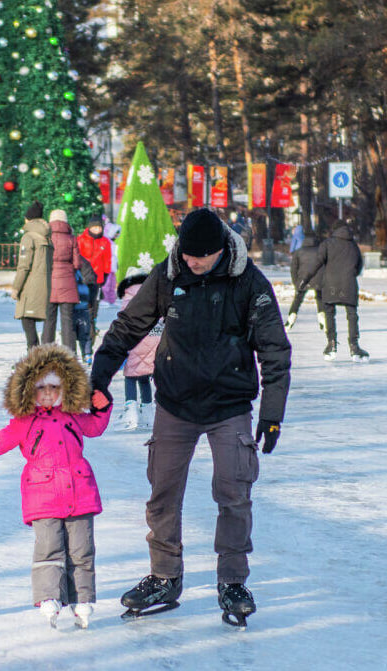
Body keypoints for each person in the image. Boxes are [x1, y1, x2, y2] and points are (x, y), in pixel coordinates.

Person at [88, 207, 291, 627]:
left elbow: (274, 350)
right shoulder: (170, 273)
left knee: (233, 491)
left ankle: (232, 580)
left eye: (202, 256)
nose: (193, 262)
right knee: (162, 492)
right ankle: (165, 575)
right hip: (176, 403)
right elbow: (128, 326)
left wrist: (271, 415)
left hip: (228, 405)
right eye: (188, 254)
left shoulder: (248, 281)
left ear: (220, 250)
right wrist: (99, 379)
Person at [0, 345, 111, 629]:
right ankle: (49, 596)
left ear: (66, 388)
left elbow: (95, 427)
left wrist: (103, 407)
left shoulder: (73, 415)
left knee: (82, 550)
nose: (48, 393)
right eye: (41, 388)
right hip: (43, 496)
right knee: (49, 548)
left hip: (80, 492)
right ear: (28, 390)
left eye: (54, 387)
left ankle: (82, 600)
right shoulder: (24, 422)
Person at [304, 220, 368, 361]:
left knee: (329, 313)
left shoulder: (327, 244)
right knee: (352, 315)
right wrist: (351, 275)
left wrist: (306, 278)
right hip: (349, 283)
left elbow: (317, 262)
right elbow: (359, 265)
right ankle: (354, 347)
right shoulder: (353, 245)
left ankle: (331, 344)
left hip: (330, 284)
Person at [116, 270, 161, 431]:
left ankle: (131, 412)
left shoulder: (128, 297)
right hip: (153, 341)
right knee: (144, 376)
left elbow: (123, 320)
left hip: (135, 341)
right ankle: (148, 413)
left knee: (130, 376)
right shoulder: (154, 293)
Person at [13, 201, 52, 349]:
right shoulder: (47, 236)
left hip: (30, 287)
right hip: (46, 287)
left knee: (27, 321)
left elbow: (23, 266)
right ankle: (39, 356)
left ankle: (34, 358)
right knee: (41, 325)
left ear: (28, 219)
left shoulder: (28, 237)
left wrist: (16, 288)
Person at [44, 209, 80, 352]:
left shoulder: (46, 238)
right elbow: (77, 264)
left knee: (49, 321)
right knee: (67, 321)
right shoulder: (71, 238)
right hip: (68, 283)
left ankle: (46, 352)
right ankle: (70, 354)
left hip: (50, 284)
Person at [77, 216, 111, 337]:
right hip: (83, 278)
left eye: (99, 227)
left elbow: (107, 260)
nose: (97, 230)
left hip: (98, 279)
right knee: (83, 304)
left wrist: (105, 275)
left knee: (94, 305)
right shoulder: (80, 240)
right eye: (94, 227)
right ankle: (81, 325)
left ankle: (91, 326)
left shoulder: (105, 242)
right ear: (89, 227)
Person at [285, 232, 325, 330]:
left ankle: (290, 320)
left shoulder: (299, 251)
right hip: (319, 280)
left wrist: (296, 283)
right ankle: (323, 321)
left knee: (297, 300)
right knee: (320, 299)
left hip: (303, 279)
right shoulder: (321, 251)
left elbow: (293, 269)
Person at [73, 273, 93, 363]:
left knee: (73, 333)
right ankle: (86, 354)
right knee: (84, 334)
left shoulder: (72, 277)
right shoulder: (85, 275)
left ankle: (83, 355)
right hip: (84, 309)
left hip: (74, 309)